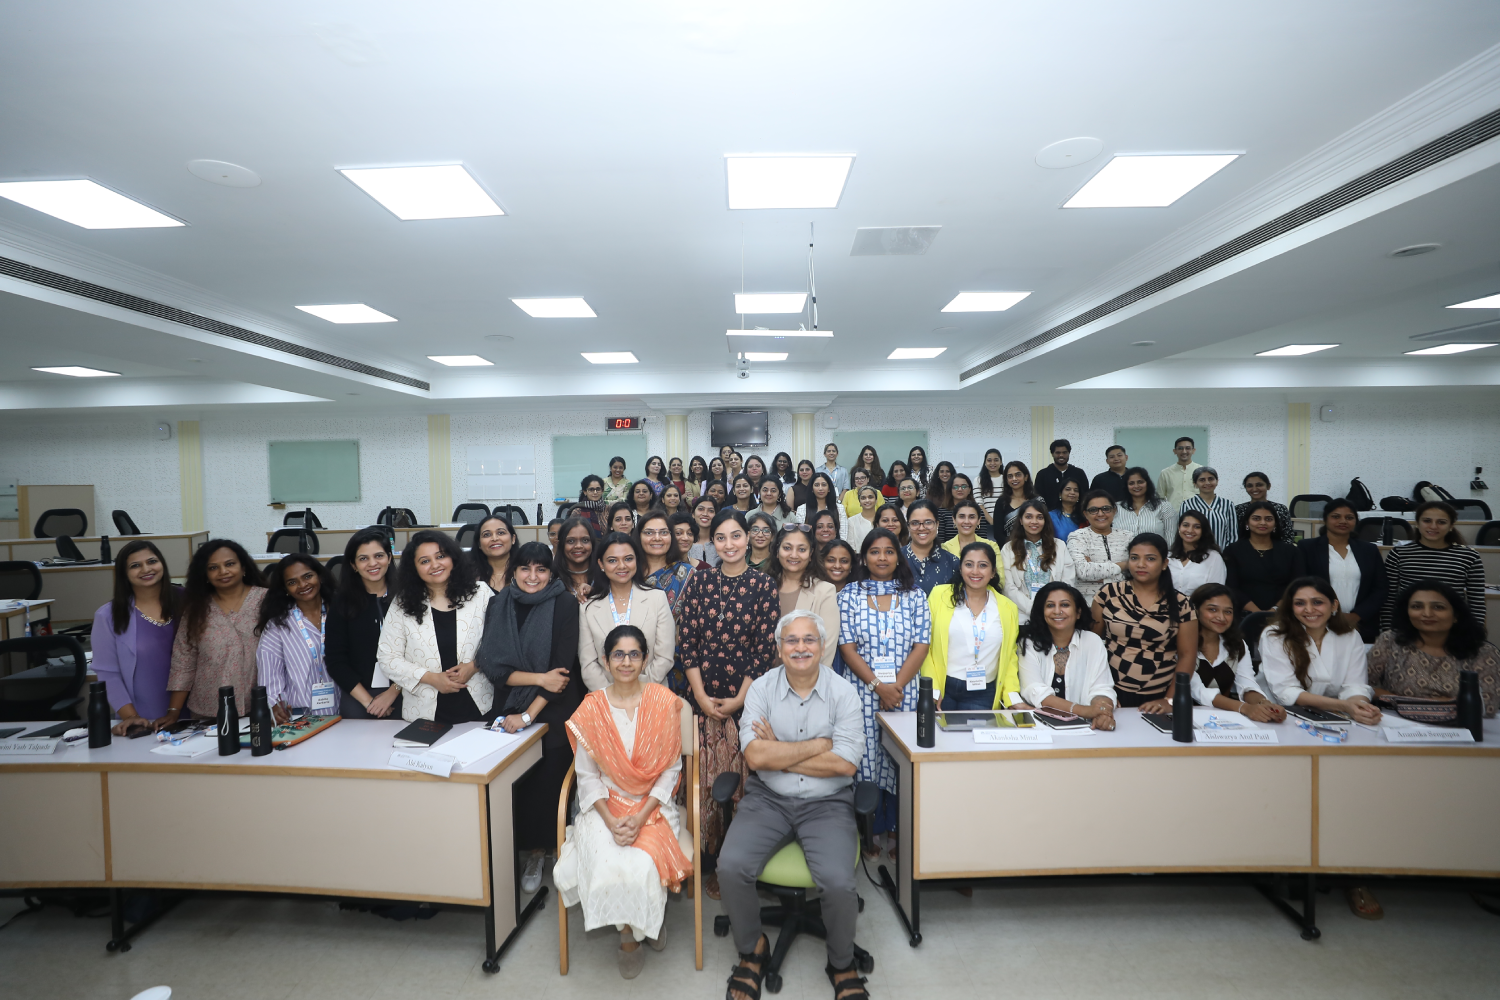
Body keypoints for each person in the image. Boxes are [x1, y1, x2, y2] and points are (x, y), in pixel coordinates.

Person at [720, 610, 867, 1000]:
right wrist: (820, 745)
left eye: (809, 639)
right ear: (779, 647)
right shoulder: (761, 689)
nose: (800, 647)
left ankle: (841, 963)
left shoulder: (844, 693)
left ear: (822, 645)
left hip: (828, 802)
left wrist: (779, 752)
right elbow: (755, 757)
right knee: (730, 867)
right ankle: (753, 949)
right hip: (769, 799)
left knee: (838, 882)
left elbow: (845, 764)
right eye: (792, 640)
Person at [553, 625, 690, 978]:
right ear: (605, 660)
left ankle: (648, 922)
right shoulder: (592, 708)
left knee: (641, 864)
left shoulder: (663, 701)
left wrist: (641, 816)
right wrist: (611, 821)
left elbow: (671, 770)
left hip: (652, 804)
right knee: (609, 864)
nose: (626, 662)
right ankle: (630, 936)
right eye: (618, 654)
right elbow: (586, 776)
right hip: (604, 805)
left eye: (633, 654)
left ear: (645, 660)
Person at [676, 508, 780, 898]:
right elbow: (687, 643)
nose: (729, 544)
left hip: (746, 701)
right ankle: (706, 857)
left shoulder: (763, 585)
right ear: (713, 542)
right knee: (703, 784)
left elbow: (764, 648)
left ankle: (739, 862)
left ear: (749, 538)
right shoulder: (700, 582)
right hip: (701, 701)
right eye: (721, 537)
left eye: (736, 535)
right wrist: (702, 697)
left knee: (743, 786)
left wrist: (739, 699)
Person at [477, 541, 587, 896]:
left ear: (551, 573)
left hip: (552, 706)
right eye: (525, 568)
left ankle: (546, 849)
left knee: (548, 779)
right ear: (514, 571)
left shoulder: (565, 603)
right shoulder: (499, 604)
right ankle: (528, 850)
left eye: (541, 569)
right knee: (514, 783)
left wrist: (529, 714)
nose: (533, 576)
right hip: (509, 703)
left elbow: (561, 671)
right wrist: (537, 681)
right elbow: (492, 666)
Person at [837, 528, 931, 857]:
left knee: (899, 758)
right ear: (864, 558)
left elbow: (921, 644)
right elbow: (847, 647)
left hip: (904, 691)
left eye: (889, 551)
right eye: (874, 551)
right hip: (861, 691)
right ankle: (869, 830)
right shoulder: (849, 594)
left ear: (898, 557)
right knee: (866, 757)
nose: (882, 557)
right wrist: (878, 686)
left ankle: (897, 828)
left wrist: (896, 688)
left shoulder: (915, 595)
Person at [377, 530, 494, 723]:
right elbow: (388, 658)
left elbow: (501, 642)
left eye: (440, 556)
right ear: (414, 568)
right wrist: (432, 678)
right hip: (424, 711)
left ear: (453, 558)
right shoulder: (402, 603)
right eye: (425, 561)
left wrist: (475, 666)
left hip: (481, 705)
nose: (435, 565)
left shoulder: (481, 593)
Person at [1090, 533, 1198, 711]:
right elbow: (1091, 646)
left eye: (1150, 559)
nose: (1141, 564)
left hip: (1160, 695)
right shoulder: (1108, 594)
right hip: (1111, 693)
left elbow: (1187, 655)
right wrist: (1100, 695)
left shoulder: (1182, 603)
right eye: (1134, 558)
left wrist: (1169, 700)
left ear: (1164, 563)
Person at [165, 540, 266, 725]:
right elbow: (184, 661)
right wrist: (173, 712)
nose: (223, 571)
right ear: (205, 574)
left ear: (243, 567)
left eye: (230, 564)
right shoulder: (196, 609)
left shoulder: (266, 600)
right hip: (209, 711)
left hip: (262, 707)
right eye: (213, 568)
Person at [91, 540, 181, 735]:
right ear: (123, 573)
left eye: (152, 561)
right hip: (144, 720)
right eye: (135, 565)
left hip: (196, 714)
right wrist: (131, 717)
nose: (146, 569)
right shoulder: (108, 616)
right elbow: (108, 674)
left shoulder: (188, 601)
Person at [1369, 581, 1498, 714]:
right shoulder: (1391, 640)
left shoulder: (1483, 651)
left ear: (1456, 615)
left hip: (1461, 724)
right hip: (1398, 721)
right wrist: (1445, 702)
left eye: (1438, 607)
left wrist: (1399, 700)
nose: (1427, 613)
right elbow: (1363, 687)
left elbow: (1488, 704)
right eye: (1417, 606)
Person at [922, 541, 1021, 711]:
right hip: (943, 688)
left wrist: (1012, 698)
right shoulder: (939, 596)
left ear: (993, 572)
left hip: (983, 692)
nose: (975, 571)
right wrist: (933, 690)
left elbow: (1009, 657)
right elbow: (925, 646)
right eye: (969, 564)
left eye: (983, 565)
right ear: (960, 569)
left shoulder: (1008, 608)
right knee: (939, 730)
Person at [579, 531, 675, 691]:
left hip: (651, 694)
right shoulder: (588, 607)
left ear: (637, 560)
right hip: (603, 698)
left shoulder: (657, 599)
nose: (622, 566)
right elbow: (588, 664)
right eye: (612, 560)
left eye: (628, 559)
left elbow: (664, 657)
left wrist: (637, 691)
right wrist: (612, 696)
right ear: (601, 564)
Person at [1015, 583, 1116, 730]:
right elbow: (1035, 691)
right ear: (1042, 612)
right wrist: (1085, 711)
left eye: (1065, 605)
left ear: (1078, 612)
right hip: (1037, 727)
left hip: (1084, 728)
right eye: (1050, 605)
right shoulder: (1028, 643)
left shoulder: (1092, 641)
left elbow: (1102, 688)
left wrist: (1102, 712)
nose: (1057, 611)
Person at [326, 527, 400, 719]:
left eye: (379, 556)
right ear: (353, 564)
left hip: (405, 689)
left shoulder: (407, 597)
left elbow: (419, 652)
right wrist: (369, 702)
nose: (372, 563)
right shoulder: (341, 603)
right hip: (359, 695)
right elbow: (336, 661)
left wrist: (393, 692)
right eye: (363, 558)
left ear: (389, 558)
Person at [255, 554, 337, 723]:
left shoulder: (341, 612)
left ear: (320, 576)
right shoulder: (278, 625)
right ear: (285, 588)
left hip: (346, 713)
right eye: (292, 582)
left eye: (308, 576)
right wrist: (274, 705)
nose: (302, 585)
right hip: (300, 717)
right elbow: (270, 674)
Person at [1381, 500, 1486, 629]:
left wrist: (1474, 634)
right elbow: (1389, 599)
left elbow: (1477, 602)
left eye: (1441, 522)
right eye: (1427, 521)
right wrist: (1388, 631)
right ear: (1417, 524)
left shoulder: (1469, 556)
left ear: (1451, 526)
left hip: (1452, 627)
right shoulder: (1399, 553)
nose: (1433, 526)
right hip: (1408, 626)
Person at [1294, 498, 1386, 642]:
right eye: (1336, 516)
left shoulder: (1369, 550)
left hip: (1361, 625)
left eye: (1349, 517)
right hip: (1317, 621)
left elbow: (1381, 588)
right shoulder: (1307, 548)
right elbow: (1300, 585)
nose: (1343, 521)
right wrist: (1327, 614)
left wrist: (1356, 616)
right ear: (1325, 519)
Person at [1188, 584, 1285, 721]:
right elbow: (1198, 691)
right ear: (1196, 610)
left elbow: (1247, 683)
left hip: (1220, 720)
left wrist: (1265, 704)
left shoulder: (1237, 644)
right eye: (1212, 609)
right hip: (1180, 717)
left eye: (1228, 612)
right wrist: (1245, 708)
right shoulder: (1182, 643)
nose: (1221, 617)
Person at [637, 511, 697, 695]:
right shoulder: (627, 571)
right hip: (629, 659)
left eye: (663, 532)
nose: (657, 538)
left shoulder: (688, 574)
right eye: (649, 532)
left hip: (676, 664)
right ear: (638, 536)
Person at [769, 524, 840, 667]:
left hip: (809, 677)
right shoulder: (763, 586)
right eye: (787, 548)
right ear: (777, 551)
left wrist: (800, 678)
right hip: (765, 678)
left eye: (801, 549)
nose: (794, 555)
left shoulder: (824, 591)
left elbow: (826, 650)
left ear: (811, 554)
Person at [1001, 499, 1077, 619]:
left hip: (1055, 614)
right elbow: (1008, 587)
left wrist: (1051, 608)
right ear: (1021, 520)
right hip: (1021, 615)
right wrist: (1033, 609)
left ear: (1045, 521)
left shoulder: (1059, 546)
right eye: (1028, 517)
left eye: (1039, 517)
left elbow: (1068, 581)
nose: (1034, 521)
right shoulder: (1008, 548)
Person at [1223, 500, 1298, 613]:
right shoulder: (1232, 550)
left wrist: (1275, 610)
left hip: (1283, 613)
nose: (1263, 523)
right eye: (1256, 518)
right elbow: (1231, 587)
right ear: (1247, 523)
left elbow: (1296, 584)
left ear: (1275, 524)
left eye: (1268, 519)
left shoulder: (1291, 551)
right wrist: (1257, 613)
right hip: (1243, 614)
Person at [1067, 490, 1128, 605]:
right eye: (1093, 510)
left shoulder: (1128, 537)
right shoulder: (1077, 536)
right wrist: (1123, 565)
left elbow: (1134, 573)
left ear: (1114, 510)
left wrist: (1097, 573)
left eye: (1106, 509)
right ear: (1085, 514)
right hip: (1087, 603)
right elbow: (1082, 571)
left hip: (1123, 602)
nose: (1100, 514)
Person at [902, 500, 959, 595]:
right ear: (908, 526)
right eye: (915, 523)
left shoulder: (952, 562)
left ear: (937, 524)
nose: (921, 528)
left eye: (928, 522)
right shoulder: (895, 559)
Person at [1168, 510, 1227, 596]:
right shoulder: (1168, 556)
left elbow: (1217, 592)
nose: (1190, 530)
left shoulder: (1214, 558)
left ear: (1203, 531)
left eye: (1197, 527)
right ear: (1179, 527)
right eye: (1186, 525)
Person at [1178, 466, 1239, 548]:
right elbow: (1182, 532)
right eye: (1202, 480)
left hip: (1222, 553)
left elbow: (1233, 535)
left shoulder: (1227, 504)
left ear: (1217, 481)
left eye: (1211, 479)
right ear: (1195, 484)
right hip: (1194, 552)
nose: (1207, 483)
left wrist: (1228, 553)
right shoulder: (1187, 504)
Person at [1114, 466, 1176, 541]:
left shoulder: (1164, 507)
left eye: (1140, 482)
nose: (1136, 486)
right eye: (1131, 483)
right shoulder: (1116, 508)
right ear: (1126, 486)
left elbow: (1171, 539)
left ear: (1147, 483)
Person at [1237, 472, 1294, 545]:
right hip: (1244, 549)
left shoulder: (1281, 509)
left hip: (1277, 549)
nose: (1254, 489)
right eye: (1250, 486)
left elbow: (1288, 536)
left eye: (1259, 485)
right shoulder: (1238, 510)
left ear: (1268, 486)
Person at [1035, 439, 1089, 509]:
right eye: (1058, 452)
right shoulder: (1043, 474)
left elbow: (1085, 496)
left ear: (1069, 453)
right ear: (1052, 454)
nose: (1061, 455)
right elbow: (1038, 497)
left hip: (1076, 514)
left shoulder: (1079, 473)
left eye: (1064, 452)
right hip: (1049, 514)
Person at [556, 517, 601, 602]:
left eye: (585, 540)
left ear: (592, 543)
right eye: (571, 541)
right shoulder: (552, 580)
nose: (578, 546)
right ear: (561, 545)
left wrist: (594, 592)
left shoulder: (604, 575)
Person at [471, 514, 516, 593]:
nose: (494, 538)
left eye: (501, 533)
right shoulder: (469, 576)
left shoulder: (526, 572)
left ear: (513, 539)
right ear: (479, 544)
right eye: (487, 534)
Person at [1156, 436, 1203, 507]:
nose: (1184, 451)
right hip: (1173, 512)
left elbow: (1207, 494)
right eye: (1180, 448)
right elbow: (1160, 498)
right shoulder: (1165, 473)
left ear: (1193, 450)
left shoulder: (1202, 471)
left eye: (1188, 448)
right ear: (1175, 451)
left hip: (1196, 512)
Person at [997, 460, 1037, 534]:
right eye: (1010, 476)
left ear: (1026, 477)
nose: (1014, 479)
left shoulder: (1037, 500)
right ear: (1006, 480)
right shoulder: (1001, 502)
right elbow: (998, 534)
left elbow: (1045, 526)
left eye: (1018, 475)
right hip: (1009, 541)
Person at [843, 484, 882, 550]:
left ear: (876, 500)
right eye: (863, 498)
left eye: (870, 497)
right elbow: (851, 547)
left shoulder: (883, 519)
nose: (867, 500)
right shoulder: (852, 521)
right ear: (859, 501)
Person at [976, 448, 1005, 529]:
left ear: (1001, 462)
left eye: (996, 460)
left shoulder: (1006, 479)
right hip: (986, 523)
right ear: (985, 462)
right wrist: (992, 522)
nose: (992, 463)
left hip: (1005, 521)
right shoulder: (978, 480)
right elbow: (979, 503)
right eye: (989, 460)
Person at [688, 495, 721, 566]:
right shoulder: (686, 542)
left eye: (711, 511)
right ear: (693, 514)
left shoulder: (721, 543)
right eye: (701, 509)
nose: (705, 514)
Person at [926, 461, 957, 536]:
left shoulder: (957, 488)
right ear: (938, 474)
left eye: (947, 471)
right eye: (942, 471)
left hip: (954, 522)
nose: (944, 474)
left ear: (952, 473)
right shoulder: (932, 489)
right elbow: (927, 507)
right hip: (937, 522)